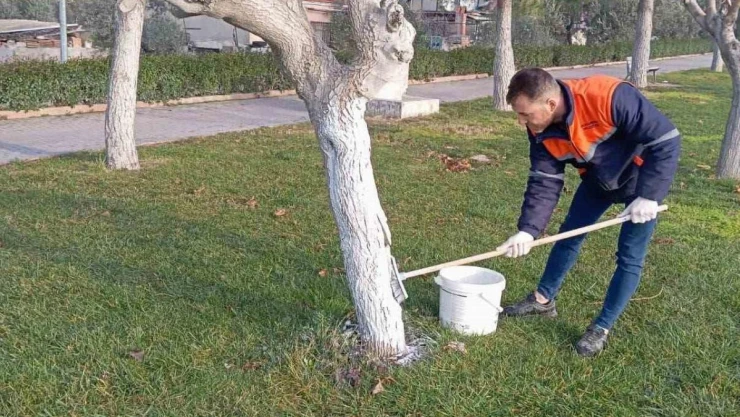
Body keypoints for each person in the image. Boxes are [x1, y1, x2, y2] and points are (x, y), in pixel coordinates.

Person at [496, 68, 681, 357]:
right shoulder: (538, 128)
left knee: (630, 256)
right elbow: (545, 180)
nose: (522, 121)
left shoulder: (608, 96)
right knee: (568, 236)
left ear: (550, 104)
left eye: (525, 114)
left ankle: (601, 328)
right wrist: (528, 231)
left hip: (641, 180)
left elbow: (666, 138)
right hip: (598, 180)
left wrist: (649, 196)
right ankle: (543, 301)